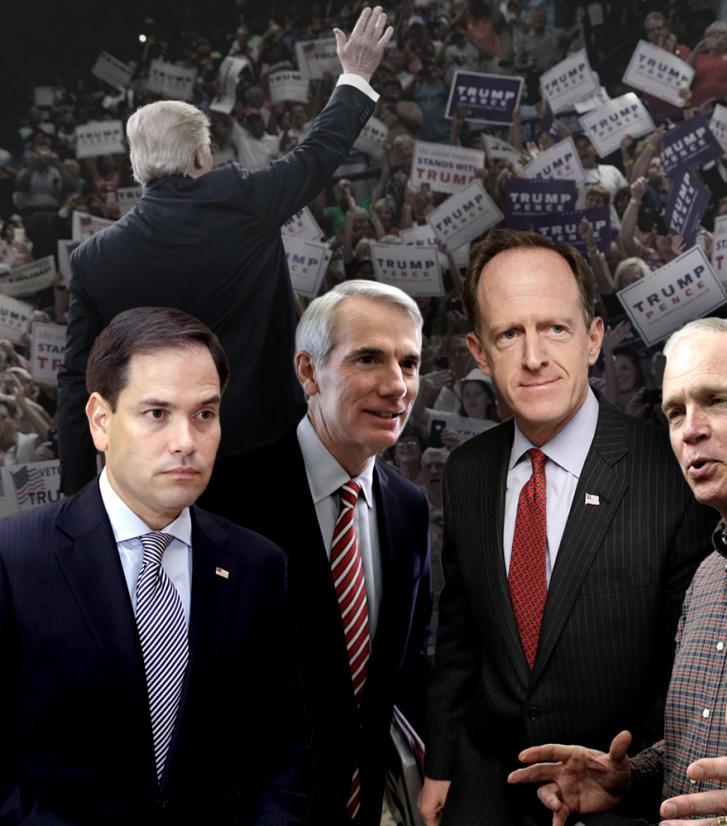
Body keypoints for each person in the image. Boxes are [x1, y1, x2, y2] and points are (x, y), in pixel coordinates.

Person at [417, 229, 715, 825]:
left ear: (594, 338)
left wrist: (636, 777)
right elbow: (460, 636)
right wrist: (439, 766)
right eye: (509, 334)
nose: (533, 356)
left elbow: (693, 666)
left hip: (618, 798)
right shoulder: (469, 472)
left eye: (555, 328)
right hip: (482, 789)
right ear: (479, 351)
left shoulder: (669, 473)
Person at [508, 318, 727, 825]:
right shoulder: (705, 578)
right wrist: (628, 777)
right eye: (675, 411)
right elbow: (694, 746)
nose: (690, 430)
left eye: (717, 401)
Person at [57, 6, 394, 496]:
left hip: (163, 473)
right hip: (270, 454)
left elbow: (75, 383)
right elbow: (318, 153)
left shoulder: (93, 258)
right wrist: (356, 75)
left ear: (137, 168)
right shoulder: (243, 199)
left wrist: (76, 488)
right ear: (201, 155)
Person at [0, 307, 307, 822]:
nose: (186, 440)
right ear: (101, 420)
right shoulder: (15, 558)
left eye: (204, 414)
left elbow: (282, 753)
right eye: (157, 413)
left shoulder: (258, 567)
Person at [201, 282, 433, 824]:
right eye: (369, 359)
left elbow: (404, 672)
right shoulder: (227, 498)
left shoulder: (410, 508)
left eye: (410, 362)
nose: (397, 385)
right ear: (308, 371)